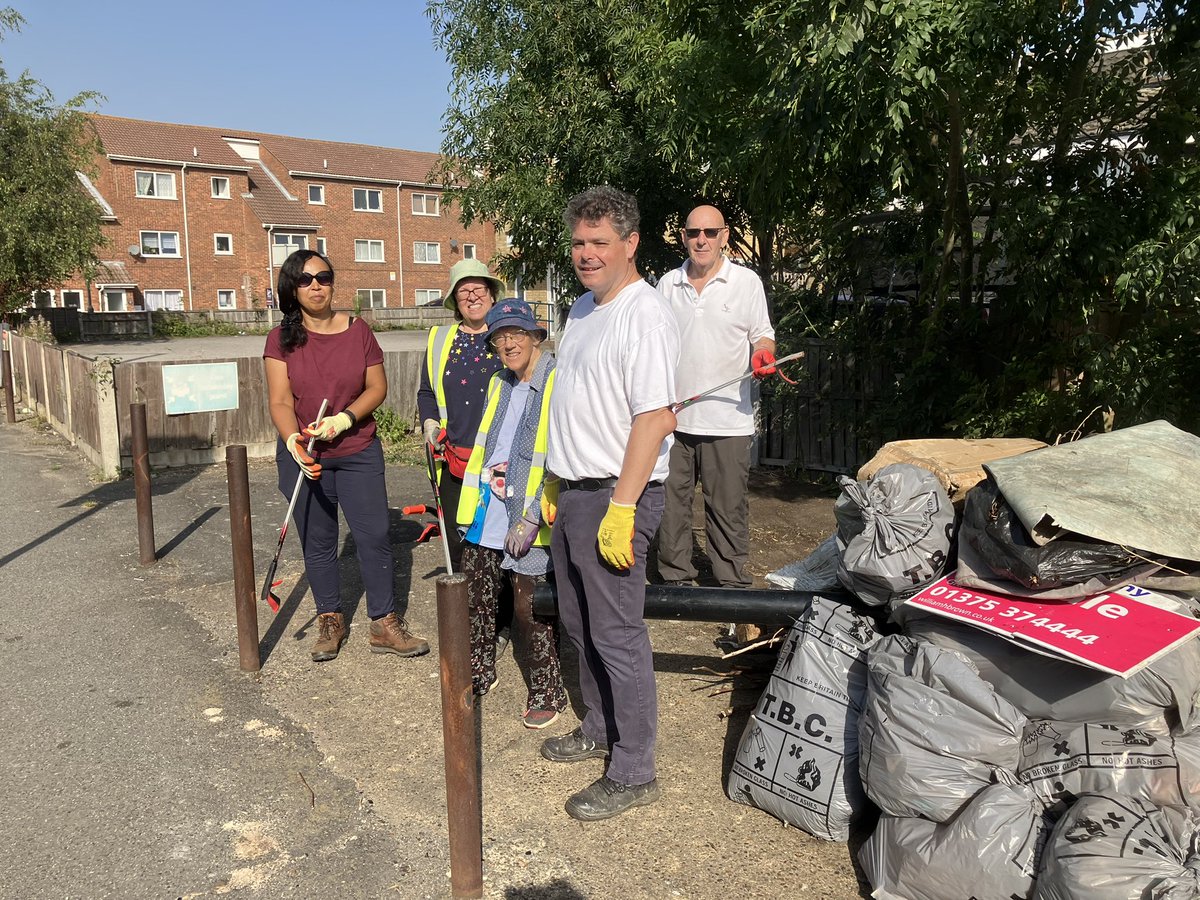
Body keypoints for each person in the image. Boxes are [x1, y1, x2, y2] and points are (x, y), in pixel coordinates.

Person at [540, 185, 680, 821]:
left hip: (617, 496)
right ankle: (599, 726)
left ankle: (634, 767)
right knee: (577, 623)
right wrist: (552, 480)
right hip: (574, 493)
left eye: (600, 242)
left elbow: (655, 418)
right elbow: (572, 402)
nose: (586, 253)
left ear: (631, 243)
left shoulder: (643, 315)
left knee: (617, 633)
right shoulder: (581, 309)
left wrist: (622, 508)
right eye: (578, 242)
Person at [263, 249, 429, 662]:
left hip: (357, 450)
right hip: (306, 455)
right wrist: (292, 442)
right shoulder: (280, 339)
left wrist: (345, 419)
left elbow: (377, 388)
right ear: (292, 288)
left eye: (323, 276)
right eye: (305, 279)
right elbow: (280, 401)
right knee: (319, 542)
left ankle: (384, 623)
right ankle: (330, 619)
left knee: (374, 535)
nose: (316, 285)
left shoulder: (359, 331)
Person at [456, 299, 566, 729]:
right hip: (490, 507)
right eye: (500, 337)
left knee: (529, 606)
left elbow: (560, 454)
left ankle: (548, 689)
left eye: (517, 334)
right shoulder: (500, 382)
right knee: (476, 597)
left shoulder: (557, 379)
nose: (508, 343)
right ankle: (479, 670)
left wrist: (535, 511)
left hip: (531, 511)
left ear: (535, 336)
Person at [655, 205, 776, 591]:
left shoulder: (746, 283)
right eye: (693, 233)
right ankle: (675, 579)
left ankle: (732, 585)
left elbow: (763, 334)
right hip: (673, 420)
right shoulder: (667, 285)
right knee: (670, 507)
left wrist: (764, 352)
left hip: (729, 421)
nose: (701, 239)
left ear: (725, 235)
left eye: (710, 232)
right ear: (684, 237)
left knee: (727, 509)